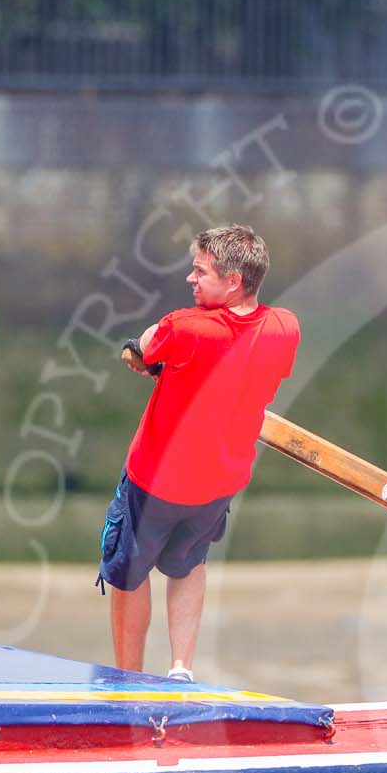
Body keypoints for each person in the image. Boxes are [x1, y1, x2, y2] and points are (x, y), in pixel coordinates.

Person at [100, 224, 300, 677]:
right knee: (188, 565)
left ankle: (128, 676)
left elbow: (144, 348)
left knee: (130, 575)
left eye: (200, 271)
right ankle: (180, 667)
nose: (191, 279)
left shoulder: (186, 326)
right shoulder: (285, 328)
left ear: (233, 281)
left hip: (155, 479)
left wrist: (144, 350)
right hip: (218, 484)